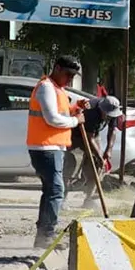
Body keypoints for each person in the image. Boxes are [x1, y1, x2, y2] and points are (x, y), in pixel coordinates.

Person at [27, 55, 87, 248]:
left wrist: (75, 108)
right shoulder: (46, 87)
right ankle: (46, 235)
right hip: (45, 148)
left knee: (50, 191)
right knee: (56, 190)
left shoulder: (57, 88)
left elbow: (61, 112)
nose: (70, 79)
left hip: (53, 147)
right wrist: (76, 121)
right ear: (57, 68)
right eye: (68, 74)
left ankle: (43, 235)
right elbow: (52, 118)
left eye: (73, 76)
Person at [70, 95, 123, 207]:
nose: (109, 117)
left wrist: (108, 150)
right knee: (70, 165)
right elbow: (89, 138)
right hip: (76, 135)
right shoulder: (91, 111)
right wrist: (99, 157)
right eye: (107, 115)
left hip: (94, 135)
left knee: (97, 166)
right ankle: (63, 198)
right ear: (101, 109)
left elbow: (112, 131)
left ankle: (88, 198)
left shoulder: (113, 112)